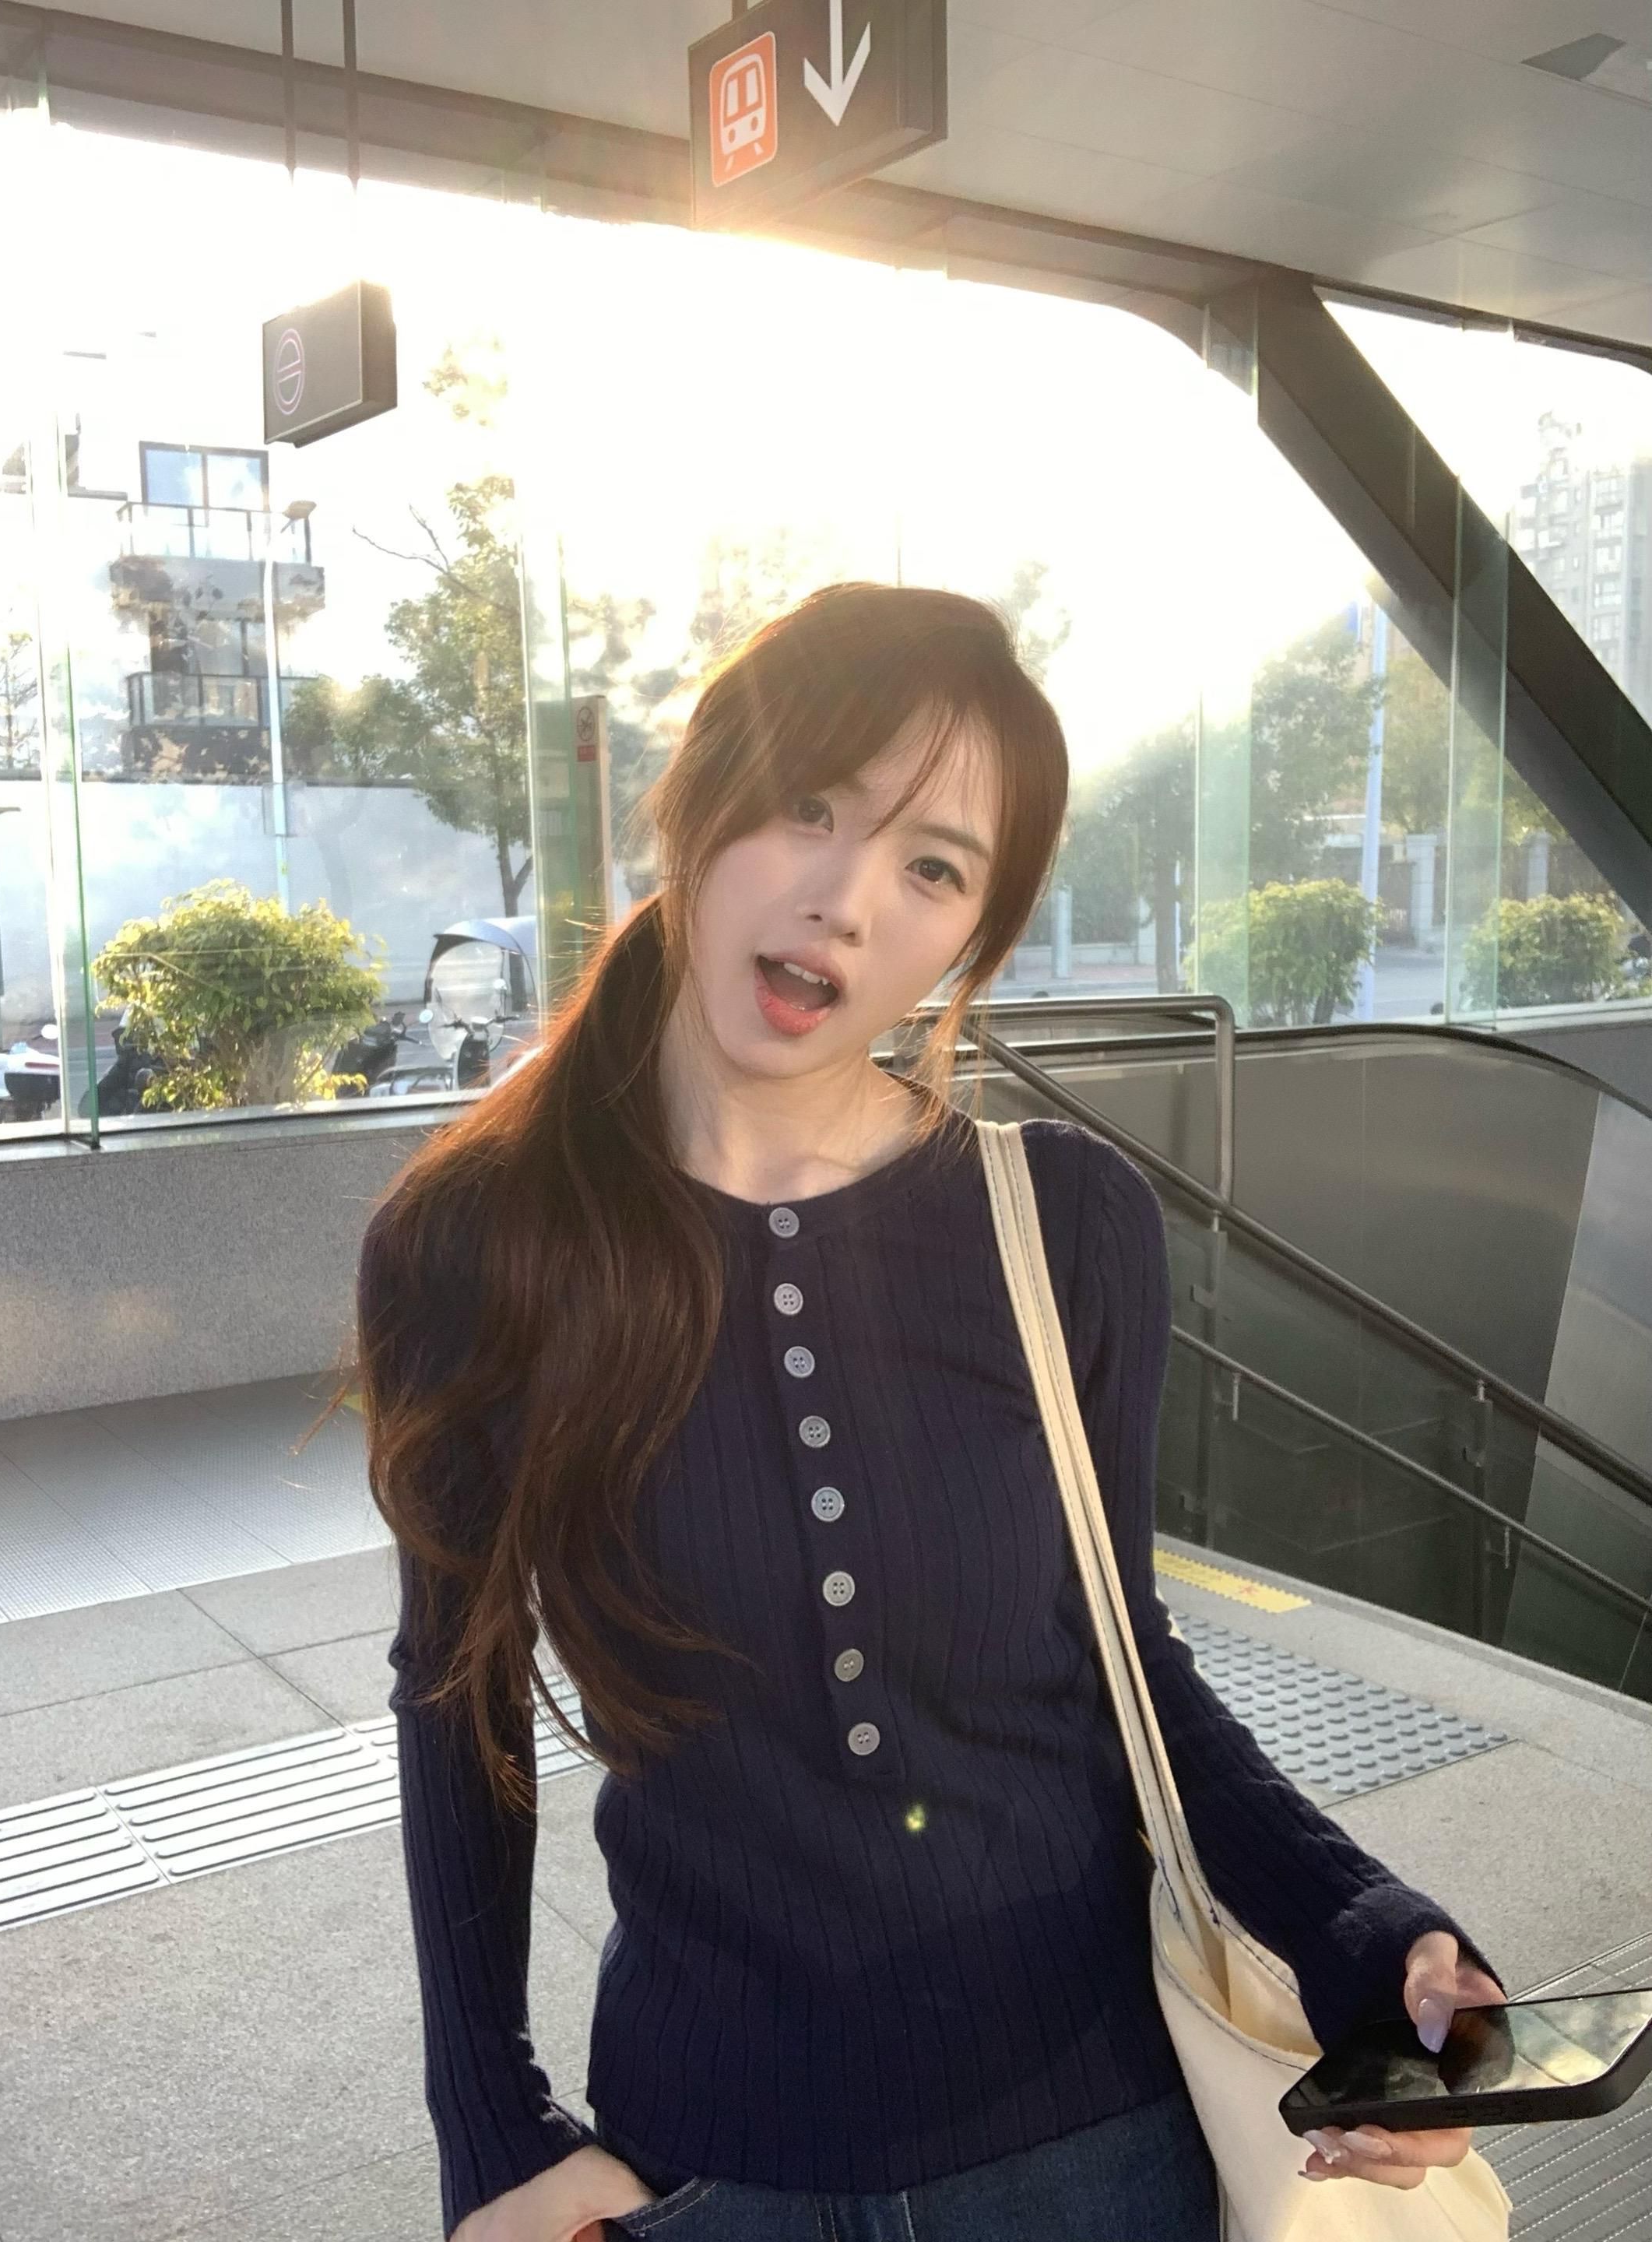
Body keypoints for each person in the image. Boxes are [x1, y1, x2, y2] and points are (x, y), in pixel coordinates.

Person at [352, 583, 1508, 2242]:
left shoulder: (1066, 1223)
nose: (842, 901)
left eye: (934, 868)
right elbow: (455, 1700)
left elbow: (1125, 1664)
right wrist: (491, 2131)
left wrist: (1362, 1926)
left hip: (1097, 2148)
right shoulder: (474, 1243)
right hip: (708, 2164)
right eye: (809, 807)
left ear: (972, 935)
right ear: (694, 799)